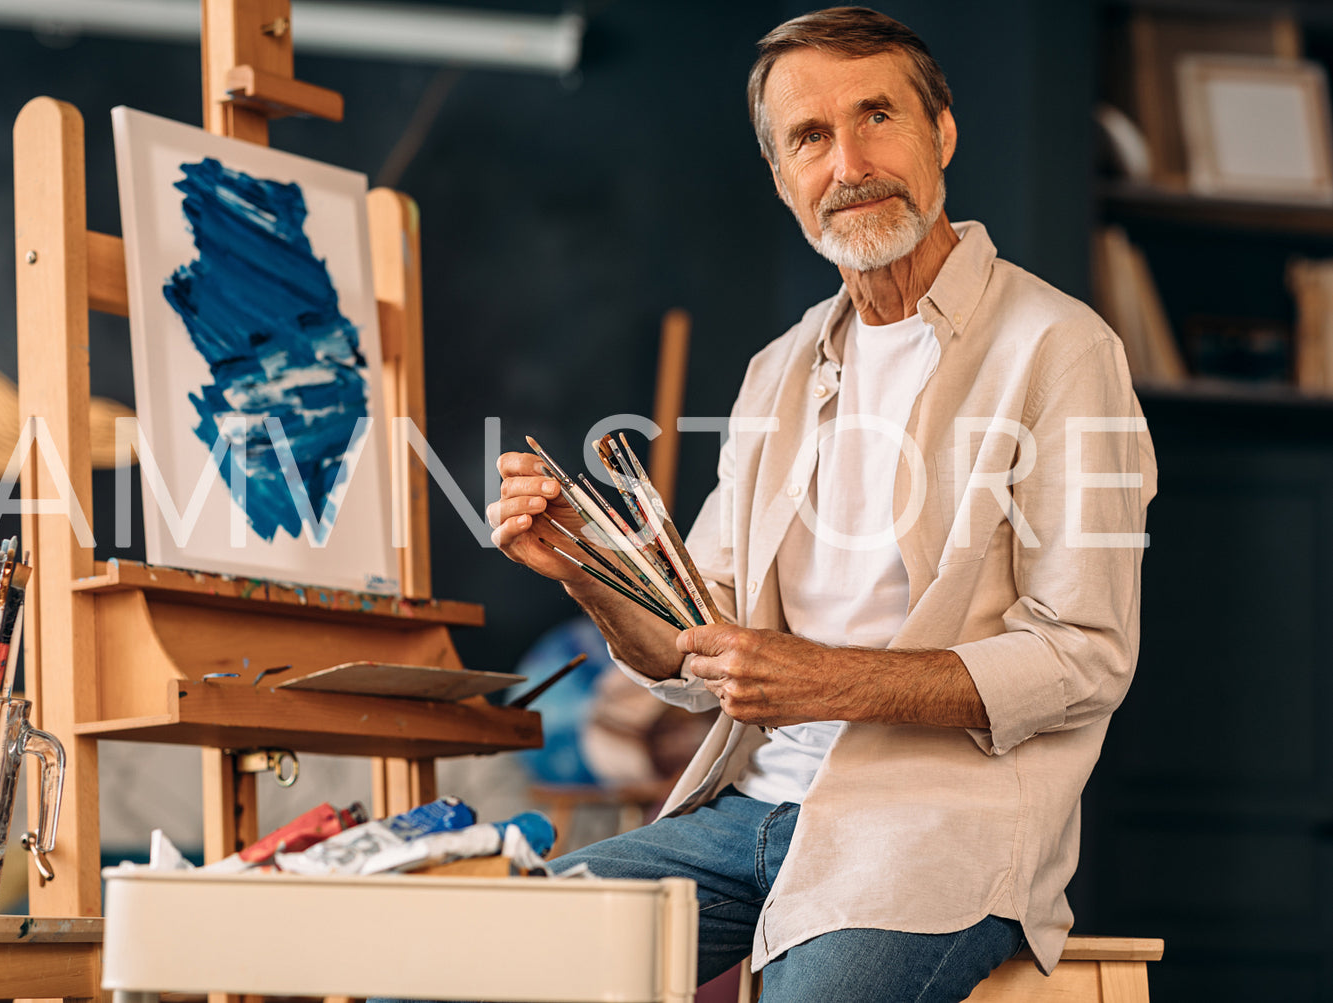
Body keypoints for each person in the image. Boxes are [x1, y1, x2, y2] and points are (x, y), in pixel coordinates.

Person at [488, 7, 1155, 1001]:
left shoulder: (1060, 349)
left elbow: (1083, 655)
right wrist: (587, 569)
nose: (848, 162)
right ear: (781, 177)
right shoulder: (779, 369)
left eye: (876, 116)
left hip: (936, 834)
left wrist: (822, 680)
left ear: (941, 134)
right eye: (809, 137)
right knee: (466, 958)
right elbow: (691, 648)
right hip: (742, 816)